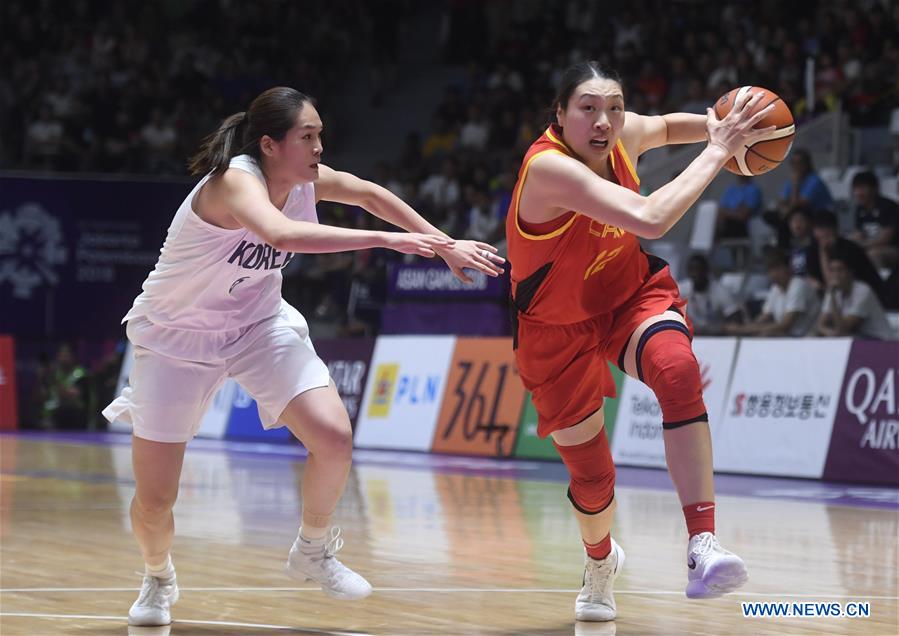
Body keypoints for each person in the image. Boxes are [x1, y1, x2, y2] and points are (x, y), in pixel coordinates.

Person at [102, 87, 505, 627]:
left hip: (256, 325)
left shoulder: (305, 179)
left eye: (320, 136)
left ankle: (312, 550)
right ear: (269, 145)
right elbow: (282, 232)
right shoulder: (234, 182)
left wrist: (443, 243)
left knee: (334, 438)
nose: (318, 148)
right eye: (307, 137)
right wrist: (388, 243)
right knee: (155, 502)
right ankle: (157, 576)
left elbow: (371, 194)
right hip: (177, 339)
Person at [505, 61, 775, 621]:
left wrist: (724, 125)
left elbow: (670, 127)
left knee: (677, 370)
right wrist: (719, 150)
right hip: (557, 329)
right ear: (560, 114)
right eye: (587, 108)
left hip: (628, 296)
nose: (604, 121)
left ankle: (703, 544)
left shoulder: (622, 135)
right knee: (592, 479)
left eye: (615, 107)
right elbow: (651, 219)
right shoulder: (549, 168)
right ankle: (599, 562)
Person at [726, 250, 821, 337]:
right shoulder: (775, 289)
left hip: (807, 338)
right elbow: (763, 318)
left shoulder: (798, 285)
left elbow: (785, 325)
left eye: (778, 268)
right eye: (771, 270)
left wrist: (743, 329)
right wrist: (743, 328)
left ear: (788, 268)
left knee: (766, 335)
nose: (774, 274)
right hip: (789, 338)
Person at [816, 246, 896, 340]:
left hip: (880, 341)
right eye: (832, 270)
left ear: (850, 272)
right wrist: (830, 333)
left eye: (840, 270)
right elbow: (820, 324)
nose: (835, 275)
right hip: (858, 339)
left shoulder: (863, 291)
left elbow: (843, 328)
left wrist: (833, 297)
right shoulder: (833, 289)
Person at [677, 254, 743, 335]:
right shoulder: (681, 290)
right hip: (689, 334)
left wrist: (727, 326)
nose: (695, 273)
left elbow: (735, 316)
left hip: (716, 335)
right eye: (692, 270)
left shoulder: (720, 291)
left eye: (698, 269)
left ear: (706, 271)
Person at [849, 170, 899, 271]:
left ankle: (879, 280)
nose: (859, 193)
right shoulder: (859, 209)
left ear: (874, 189)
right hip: (869, 247)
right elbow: (858, 234)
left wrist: (861, 246)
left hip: (892, 248)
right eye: (856, 188)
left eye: (863, 188)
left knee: (873, 255)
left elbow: (885, 239)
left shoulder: (888, 206)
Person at [717, 174, 762, 239]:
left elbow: (743, 215)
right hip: (727, 226)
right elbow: (721, 211)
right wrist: (736, 212)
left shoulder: (753, 190)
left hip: (744, 228)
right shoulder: (731, 189)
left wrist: (728, 212)